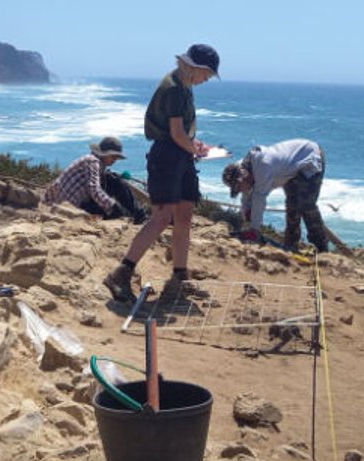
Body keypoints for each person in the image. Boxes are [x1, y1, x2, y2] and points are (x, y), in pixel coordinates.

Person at [102, 44, 220, 303]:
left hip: (180, 155)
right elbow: (175, 134)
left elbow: (182, 131)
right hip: (167, 157)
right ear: (196, 68)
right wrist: (196, 149)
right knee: (162, 216)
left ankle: (179, 276)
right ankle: (121, 272)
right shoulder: (175, 88)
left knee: (185, 213)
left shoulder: (184, 84)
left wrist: (194, 145)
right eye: (207, 74)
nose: (206, 80)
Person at [221, 138, 329, 252]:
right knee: (292, 206)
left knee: (305, 205)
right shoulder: (243, 170)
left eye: (239, 188)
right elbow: (247, 196)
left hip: (309, 157)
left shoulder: (263, 166)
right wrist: (247, 211)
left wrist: (254, 229)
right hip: (290, 168)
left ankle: (321, 247)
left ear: (244, 177)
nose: (240, 191)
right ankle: (291, 246)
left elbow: (259, 198)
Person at [43, 137, 148, 224]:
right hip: (73, 207)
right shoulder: (93, 162)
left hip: (64, 203)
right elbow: (93, 188)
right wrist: (113, 206)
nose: (115, 160)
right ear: (105, 154)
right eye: (113, 156)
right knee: (117, 183)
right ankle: (139, 217)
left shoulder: (90, 160)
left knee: (112, 180)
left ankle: (136, 216)